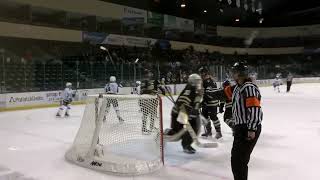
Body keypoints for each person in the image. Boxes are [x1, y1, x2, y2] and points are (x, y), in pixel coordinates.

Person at [230, 62, 263, 180]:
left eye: (234, 71)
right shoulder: (238, 88)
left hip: (247, 129)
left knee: (239, 162)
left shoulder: (248, 87)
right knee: (237, 160)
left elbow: (254, 108)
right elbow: (223, 94)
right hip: (241, 129)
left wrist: (251, 129)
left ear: (239, 74)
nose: (232, 74)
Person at [165, 74, 203, 154]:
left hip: (180, 112)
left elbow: (196, 101)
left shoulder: (194, 89)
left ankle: (165, 134)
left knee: (180, 130)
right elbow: (184, 102)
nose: (199, 83)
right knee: (189, 128)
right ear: (192, 82)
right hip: (181, 112)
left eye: (199, 81)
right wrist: (190, 111)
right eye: (197, 81)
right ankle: (186, 145)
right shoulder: (190, 89)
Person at [199, 67, 222, 139]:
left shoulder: (208, 81)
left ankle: (219, 132)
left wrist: (204, 101)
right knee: (205, 117)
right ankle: (208, 131)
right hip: (207, 102)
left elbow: (209, 93)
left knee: (213, 117)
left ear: (204, 73)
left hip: (211, 102)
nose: (200, 75)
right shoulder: (206, 80)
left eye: (201, 73)